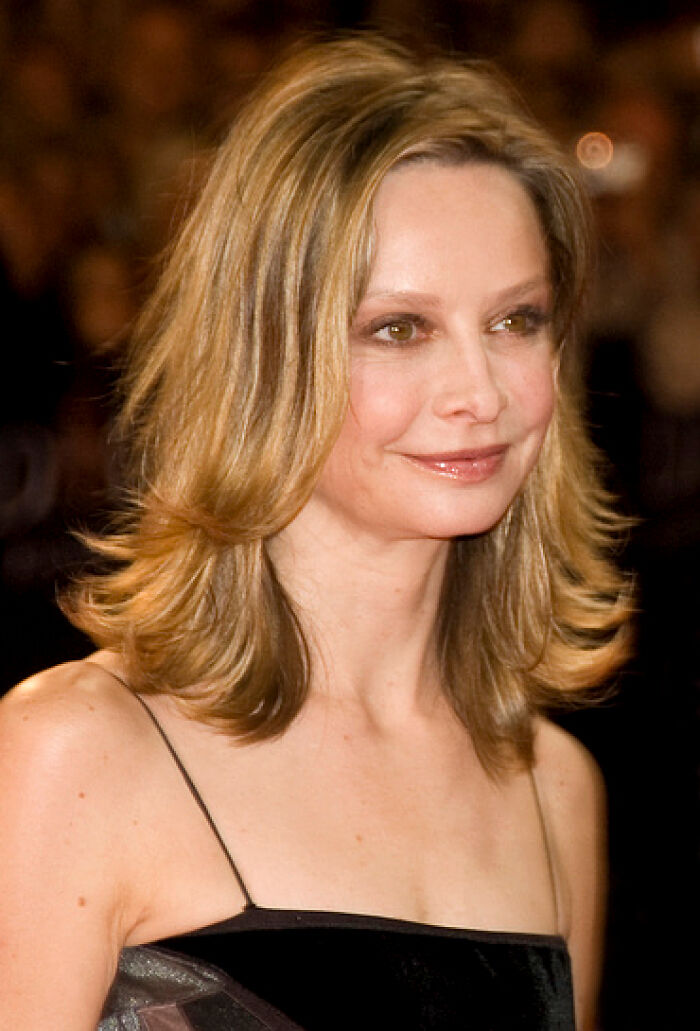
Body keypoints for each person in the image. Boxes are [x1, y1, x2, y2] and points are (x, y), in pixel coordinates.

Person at [0, 34, 632, 1031]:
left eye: (516, 321)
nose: (480, 392)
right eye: (399, 328)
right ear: (265, 358)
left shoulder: (554, 787)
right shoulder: (74, 755)